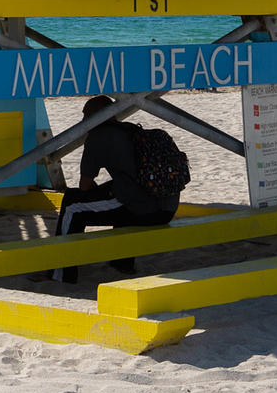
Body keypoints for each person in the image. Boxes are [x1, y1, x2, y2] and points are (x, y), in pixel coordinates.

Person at [52, 95, 181, 284]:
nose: (83, 121)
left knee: (73, 203)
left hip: (143, 210)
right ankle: (123, 263)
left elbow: (84, 186)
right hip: (167, 208)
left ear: (95, 116)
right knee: (117, 193)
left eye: (86, 115)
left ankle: (61, 274)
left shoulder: (97, 137)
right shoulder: (131, 130)